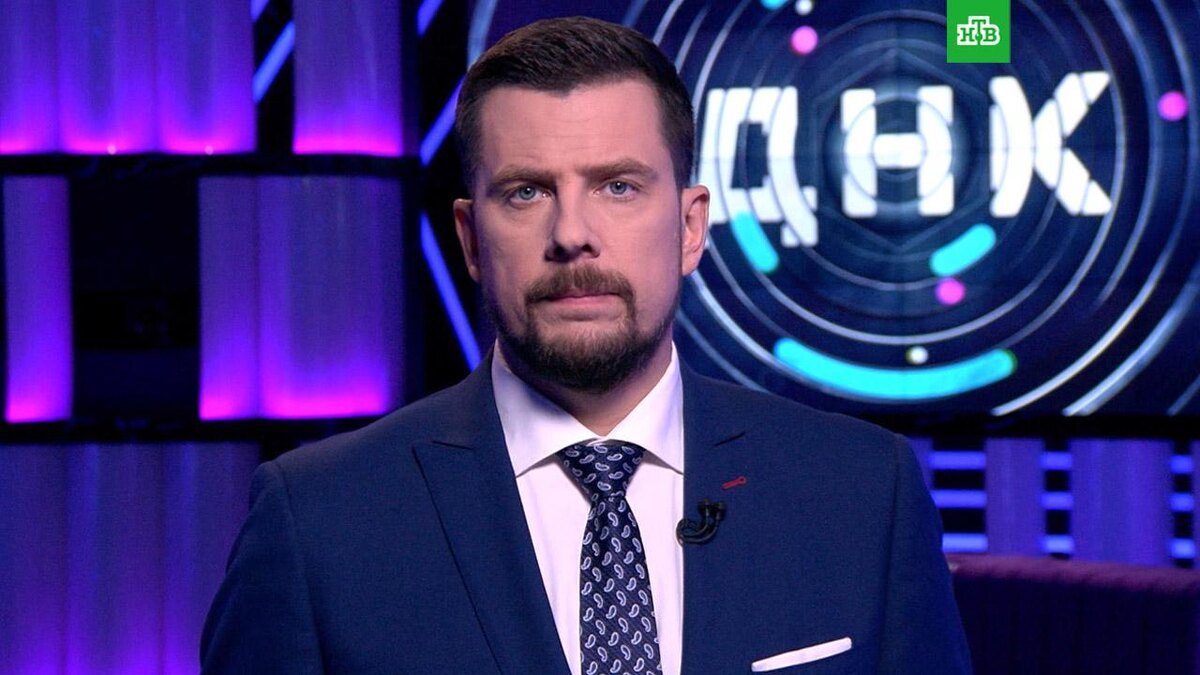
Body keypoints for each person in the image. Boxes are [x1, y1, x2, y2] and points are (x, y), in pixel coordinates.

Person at [201, 16, 971, 675]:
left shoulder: (863, 494)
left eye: (618, 186)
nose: (572, 233)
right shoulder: (318, 521)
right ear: (470, 239)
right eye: (527, 192)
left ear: (690, 227)